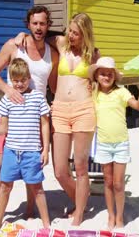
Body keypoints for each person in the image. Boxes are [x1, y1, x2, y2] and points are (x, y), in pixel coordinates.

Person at [0, 5, 58, 227]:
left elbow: (54, 86)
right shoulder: (14, 45)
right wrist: (7, 90)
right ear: (28, 24)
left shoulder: (51, 53)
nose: (39, 27)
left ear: (48, 25)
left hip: (37, 114)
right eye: (34, 23)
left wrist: (58, 103)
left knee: (32, 164)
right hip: (13, 116)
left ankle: (29, 210)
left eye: (43, 23)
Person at [16, 13, 100, 226]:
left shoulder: (94, 55)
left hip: (83, 110)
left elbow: (105, 82)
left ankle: (79, 213)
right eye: (69, 30)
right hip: (60, 110)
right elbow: (38, 35)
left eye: (76, 33)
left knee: (80, 166)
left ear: (85, 34)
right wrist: (22, 35)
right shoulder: (61, 43)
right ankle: (81, 199)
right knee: (60, 170)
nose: (71, 35)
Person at [0, 58, 51, 229]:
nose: (19, 84)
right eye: (16, 81)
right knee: (5, 187)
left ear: (29, 78)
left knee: (37, 188)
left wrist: (46, 149)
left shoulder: (38, 98)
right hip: (11, 151)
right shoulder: (7, 100)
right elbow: (4, 128)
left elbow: (45, 124)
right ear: (11, 80)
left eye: (23, 80)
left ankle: (47, 224)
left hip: (32, 152)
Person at [88, 57, 139, 230]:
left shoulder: (122, 92)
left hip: (120, 144)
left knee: (118, 184)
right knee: (108, 182)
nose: (106, 76)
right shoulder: (93, 94)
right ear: (96, 76)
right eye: (102, 73)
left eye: (109, 74)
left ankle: (119, 217)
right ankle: (111, 216)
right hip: (103, 144)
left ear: (114, 76)